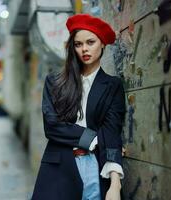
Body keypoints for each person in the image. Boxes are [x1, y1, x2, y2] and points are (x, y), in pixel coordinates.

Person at [32, 14, 126, 200]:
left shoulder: (112, 86)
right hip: (58, 167)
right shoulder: (55, 82)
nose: (84, 49)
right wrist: (97, 139)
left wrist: (115, 184)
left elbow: (112, 133)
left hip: (95, 167)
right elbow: (52, 126)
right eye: (78, 44)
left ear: (102, 44)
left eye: (90, 42)